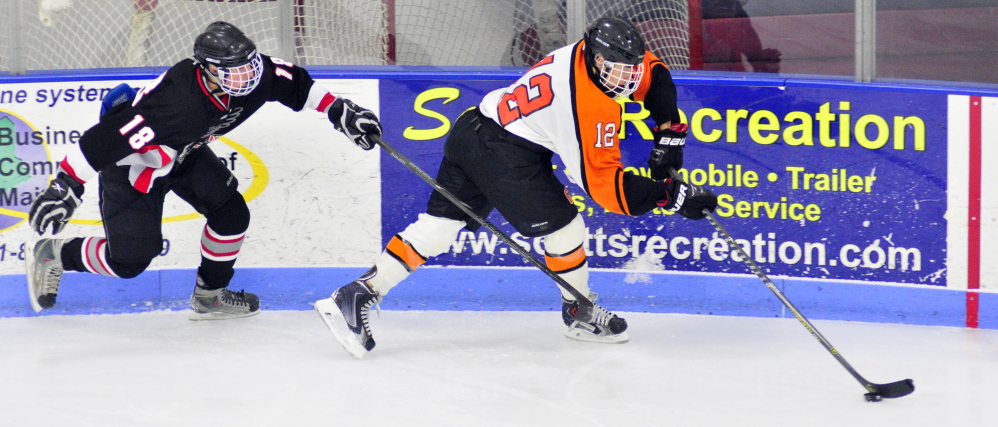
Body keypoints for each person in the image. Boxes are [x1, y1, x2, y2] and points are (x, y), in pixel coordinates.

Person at [315, 16, 718, 359]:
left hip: (473, 129)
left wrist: (669, 132)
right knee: (566, 230)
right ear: (597, 61)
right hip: (506, 156)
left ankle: (358, 293)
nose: (628, 80)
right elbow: (607, 192)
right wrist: (672, 197)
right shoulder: (587, 106)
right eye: (619, 71)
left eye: (631, 71)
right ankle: (579, 313)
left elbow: (655, 74)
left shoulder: (593, 54)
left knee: (438, 227)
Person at [26, 21, 382, 320]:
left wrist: (341, 110)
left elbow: (295, 83)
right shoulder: (175, 103)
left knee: (231, 215)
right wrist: (65, 186)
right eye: (237, 69)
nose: (249, 75)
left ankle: (209, 295)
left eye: (250, 64)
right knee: (129, 263)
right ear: (208, 69)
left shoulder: (255, 76)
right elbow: (108, 139)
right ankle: (55, 253)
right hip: (137, 170)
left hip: (185, 155)